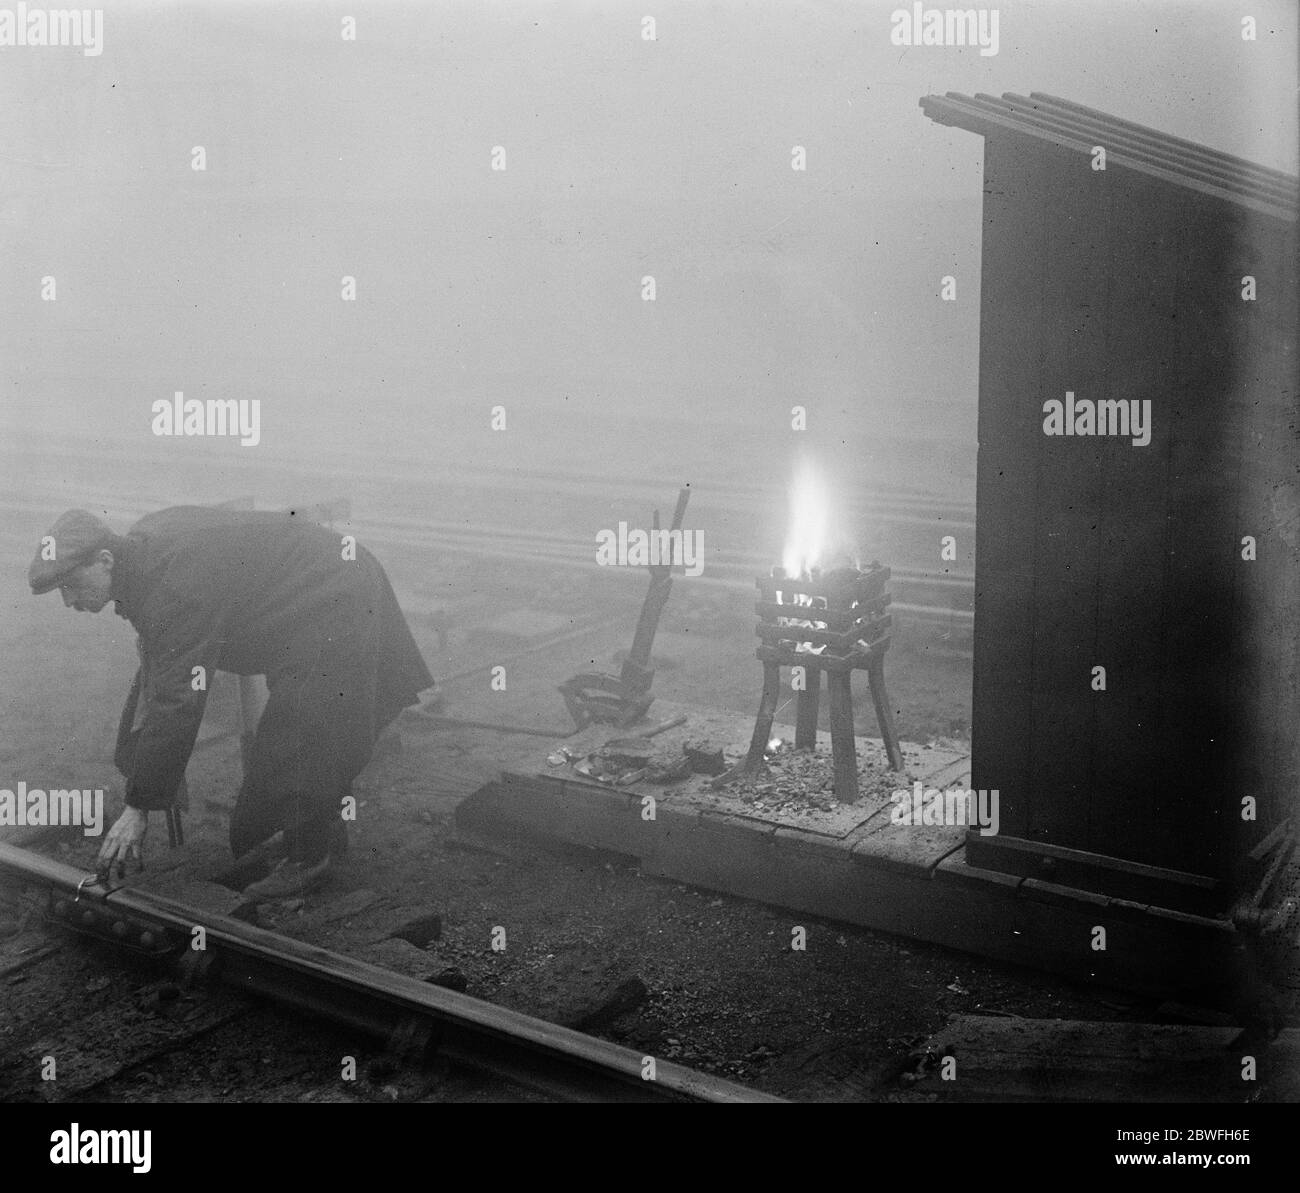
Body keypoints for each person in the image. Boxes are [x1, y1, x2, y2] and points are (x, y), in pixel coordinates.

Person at [29, 506, 435, 901]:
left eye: (70, 585)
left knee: (303, 734)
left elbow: (176, 699)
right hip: (310, 595)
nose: (68, 601)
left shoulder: (172, 589)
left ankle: (310, 858)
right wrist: (143, 776)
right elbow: (158, 668)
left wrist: (138, 806)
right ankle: (317, 837)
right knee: (305, 740)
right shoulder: (144, 552)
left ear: (104, 560)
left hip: (335, 596)